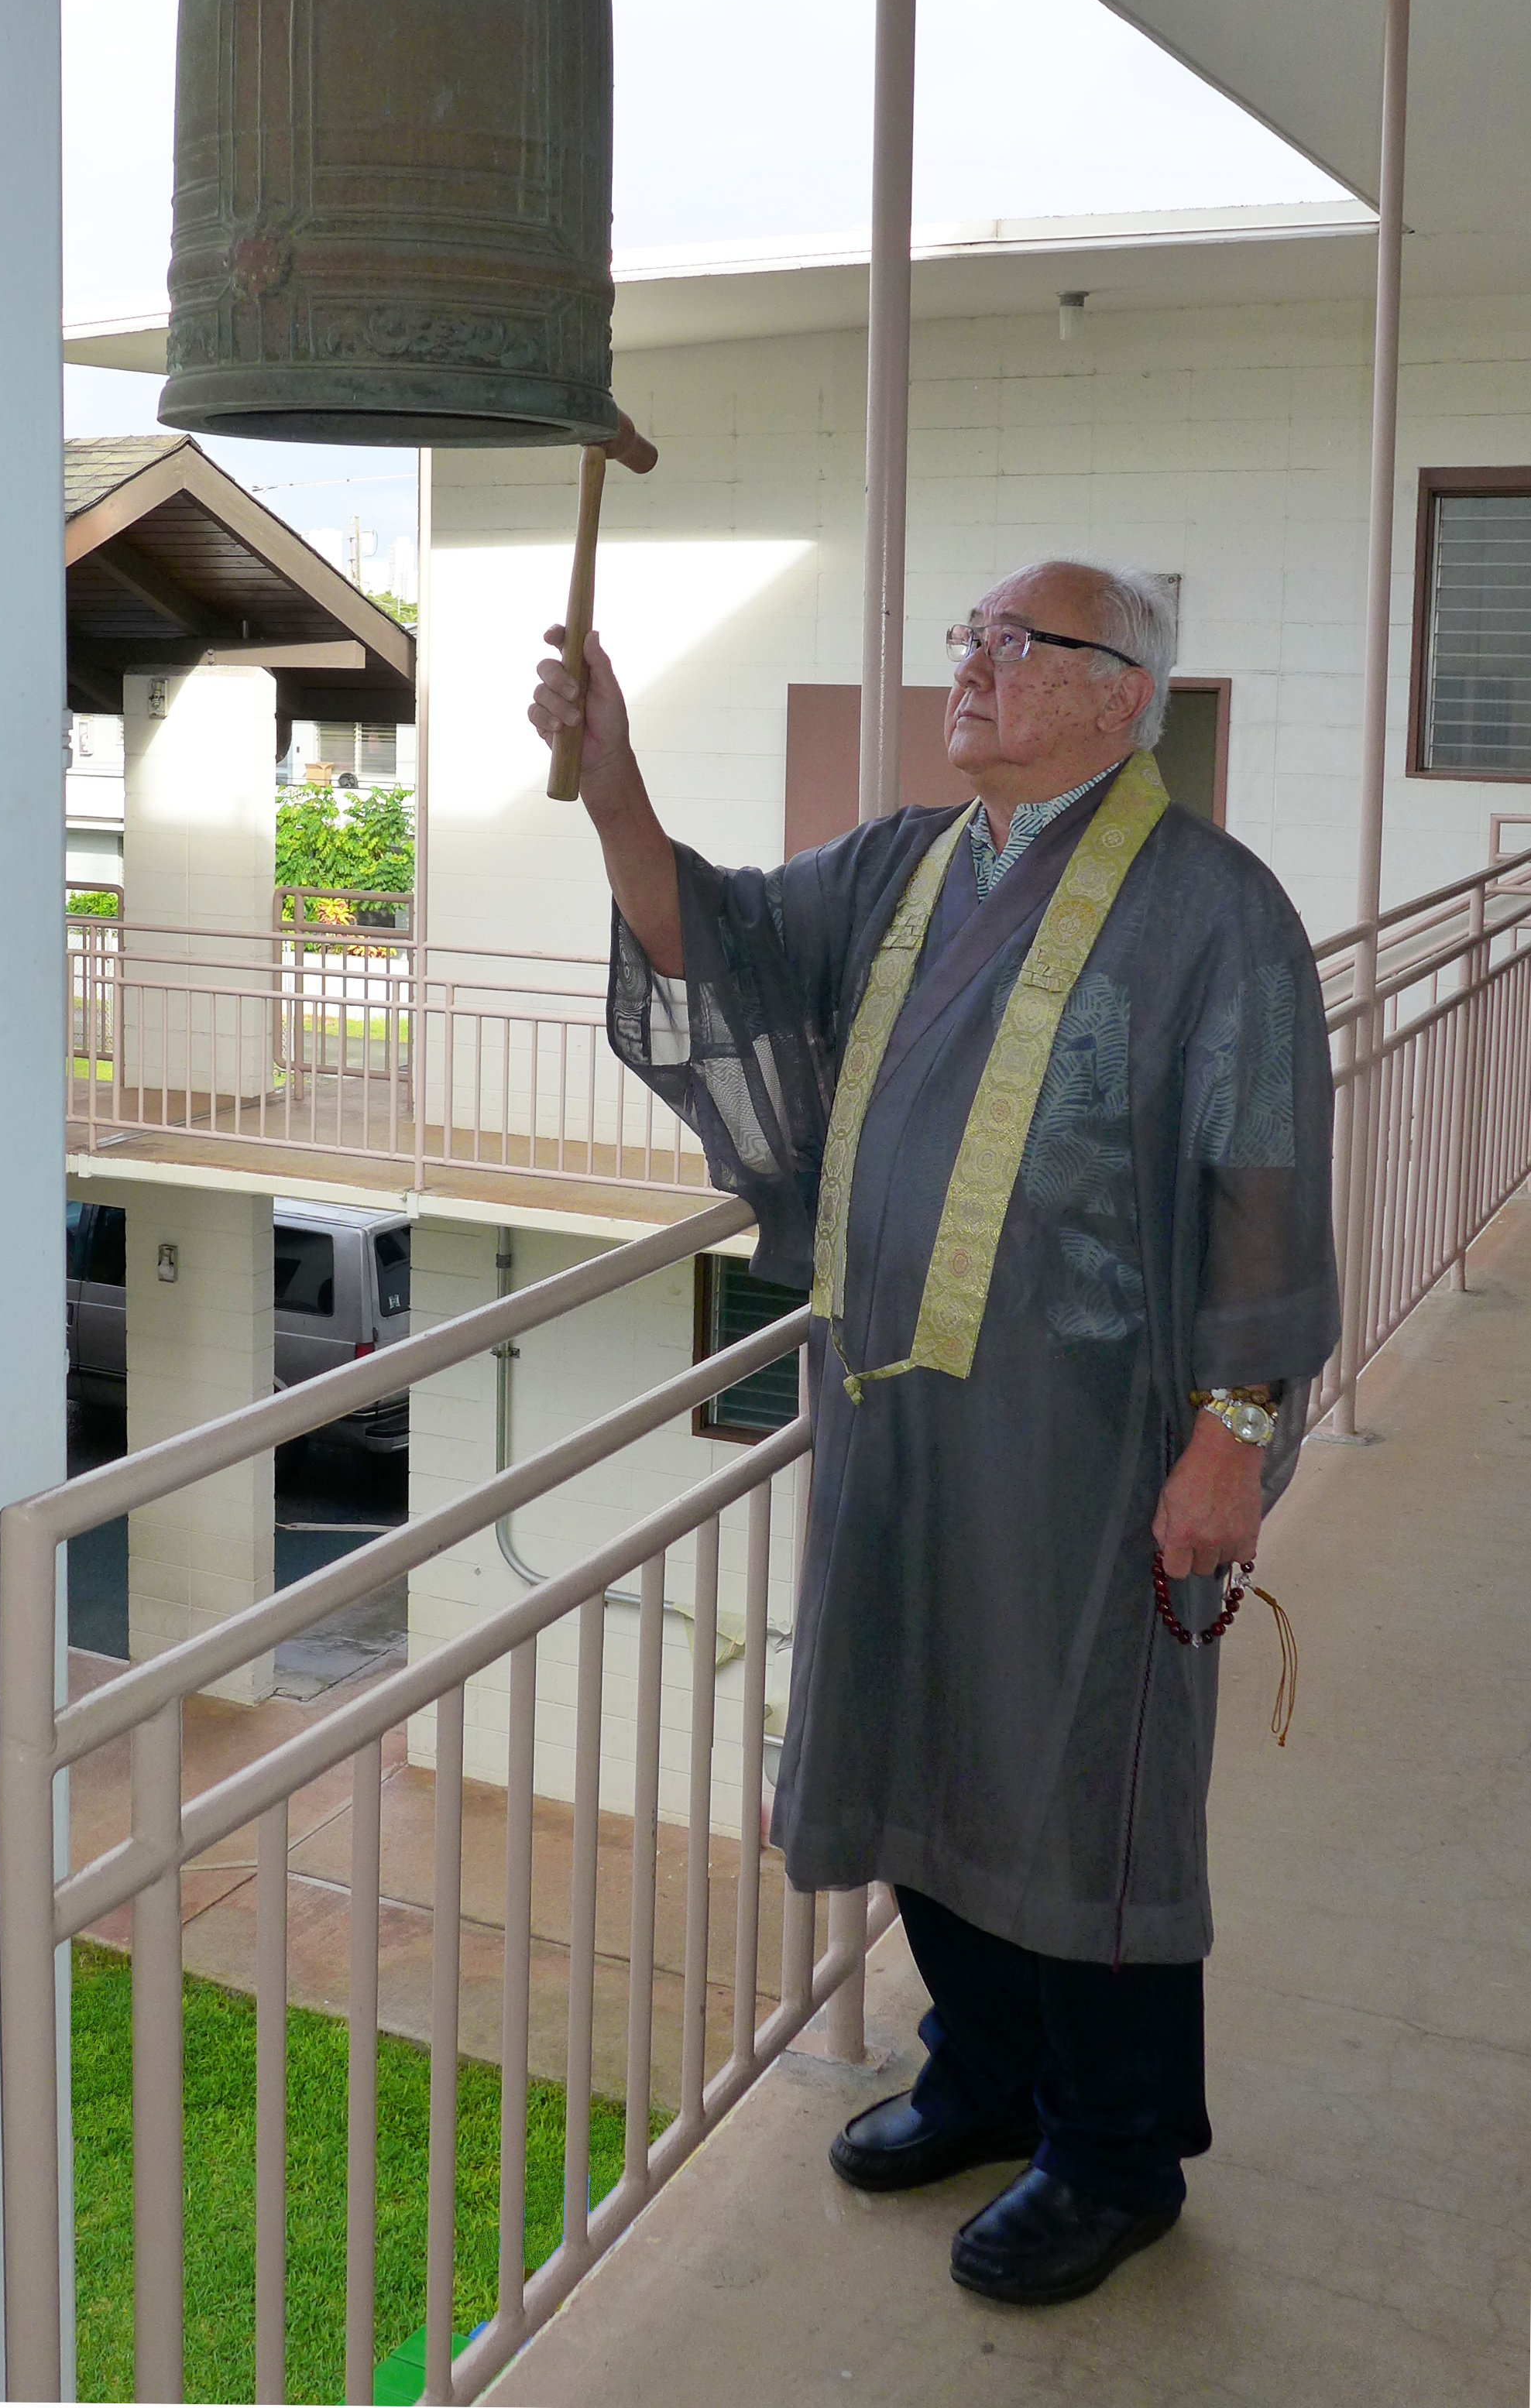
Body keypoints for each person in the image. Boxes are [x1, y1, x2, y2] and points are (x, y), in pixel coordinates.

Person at [527, 560, 1338, 2307]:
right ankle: (981, 2073)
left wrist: (1230, 1442)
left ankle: (1114, 2152)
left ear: (1121, 695)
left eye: (1008, 642)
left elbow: (1262, 1192)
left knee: (1086, 1782)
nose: (963, 664)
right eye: (962, 635)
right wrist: (615, 788)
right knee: (929, 1740)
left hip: (1096, 1445)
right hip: (901, 1418)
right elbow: (718, 936)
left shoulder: (1215, 912)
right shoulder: (906, 868)